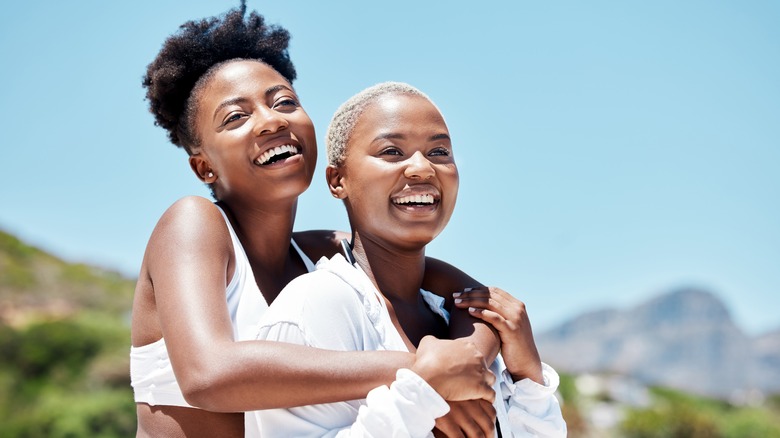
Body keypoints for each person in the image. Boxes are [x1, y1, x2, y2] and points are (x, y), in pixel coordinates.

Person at [131, 4, 501, 437]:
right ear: (204, 168)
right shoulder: (192, 224)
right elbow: (208, 376)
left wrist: (468, 358)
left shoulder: (322, 252)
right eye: (236, 117)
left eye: (284, 102)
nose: (270, 120)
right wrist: (421, 371)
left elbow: (474, 298)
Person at [246, 82, 567, 437]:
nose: (422, 168)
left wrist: (528, 380)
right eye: (392, 152)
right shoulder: (317, 305)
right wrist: (423, 392)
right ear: (338, 181)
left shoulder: (470, 321)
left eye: (440, 151)